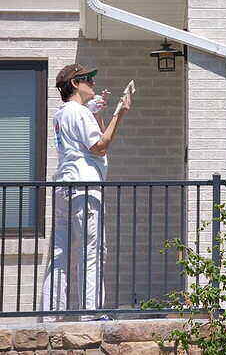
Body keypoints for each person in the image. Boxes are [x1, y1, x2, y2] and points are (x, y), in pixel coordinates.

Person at [41, 64, 132, 319]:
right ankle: (91, 314)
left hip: (65, 187)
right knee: (91, 251)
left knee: (60, 253)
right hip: (84, 188)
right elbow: (99, 146)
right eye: (87, 79)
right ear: (74, 84)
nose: (92, 82)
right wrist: (120, 113)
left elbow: (89, 141)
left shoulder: (62, 114)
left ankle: (51, 315)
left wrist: (97, 114)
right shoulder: (77, 112)